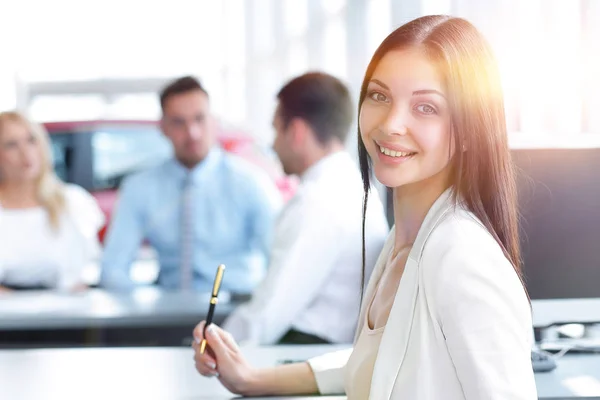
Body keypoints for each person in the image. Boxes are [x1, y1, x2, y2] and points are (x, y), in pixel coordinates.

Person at [192, 15, 537, 399]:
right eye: (379, 96)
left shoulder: (463, 258)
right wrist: (252, 379)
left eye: (425, 108)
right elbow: (379, 361)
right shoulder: (404, 242)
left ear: (470, 128)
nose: (391, 124)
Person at [222, 72, 389, 345]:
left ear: (297, 132)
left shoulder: (319, 201)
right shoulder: (354, 185)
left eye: (276, 130)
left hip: (306, 348)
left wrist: (213, 345)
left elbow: (268, 314)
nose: (274, 144)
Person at [101, 76, 282, 293]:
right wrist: (145, 303)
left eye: (199, 119)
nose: (192, 133)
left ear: (214, 121)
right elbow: (113, 270)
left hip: (233, 311)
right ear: (163, 127)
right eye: (179, 122)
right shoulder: (140, 187)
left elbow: (279, 261)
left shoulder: (250, 183)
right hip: (168, 311)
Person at [0, 111, 104, 292]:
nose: (25, 153)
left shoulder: (73, 202)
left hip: (63, 312)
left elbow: (89, 269)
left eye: (31, 140)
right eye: (11, 145)